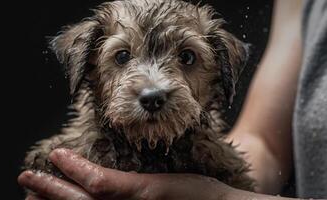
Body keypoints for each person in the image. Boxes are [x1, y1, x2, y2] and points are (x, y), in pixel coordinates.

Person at [18, 0, 327, 199]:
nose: (154, 87)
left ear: (221, 75)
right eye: (122, 57)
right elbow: (265, 144)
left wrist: (221, 196)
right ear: (87, 70)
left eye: (187, 58)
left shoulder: (219, 171)